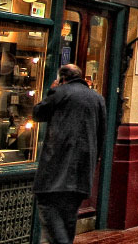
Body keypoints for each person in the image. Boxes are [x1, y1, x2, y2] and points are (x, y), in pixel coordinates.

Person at [31, 63, 106, 244]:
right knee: (69, 218)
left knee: (49, 210)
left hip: (56, 170)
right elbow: (102, 134)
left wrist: (52, 91)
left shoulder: (60, 92)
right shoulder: (97, 99)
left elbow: (38, 113)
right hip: (82, 171)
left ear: (63, 78)